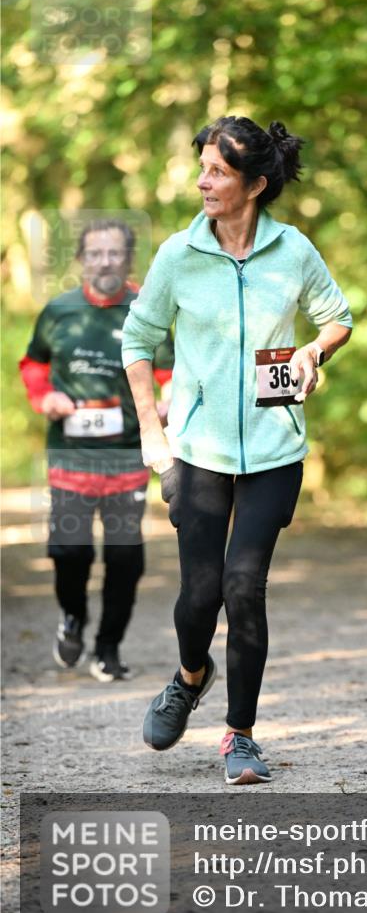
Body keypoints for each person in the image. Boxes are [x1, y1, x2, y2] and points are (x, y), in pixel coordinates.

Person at [121, 116, 353, 784]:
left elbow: (337, 316)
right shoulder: (177, 255)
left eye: (218, 172)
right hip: (195, 449)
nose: (203, 181)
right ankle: (191, 675)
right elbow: (137, 342)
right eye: (202, 168)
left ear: (254, 184)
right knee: (200, 595)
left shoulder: (293, 251)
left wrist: (313, 349)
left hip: (275, 448)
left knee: (243, 588)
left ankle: (240, 737)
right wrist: (151, 431)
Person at [19, 220, 174, 681]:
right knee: (70, 551)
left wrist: (166, 402)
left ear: (128, 259)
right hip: (70, 457)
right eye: (95, 253)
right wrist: (44, 398)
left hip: (126, 456)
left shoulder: (145, 309)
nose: (104, 261)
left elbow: (167, 369)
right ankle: (73, 619)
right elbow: (34, 364)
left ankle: (108, 647)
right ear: (81, 260)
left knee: (125, 557)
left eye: (114, 253)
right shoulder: (60, 310)